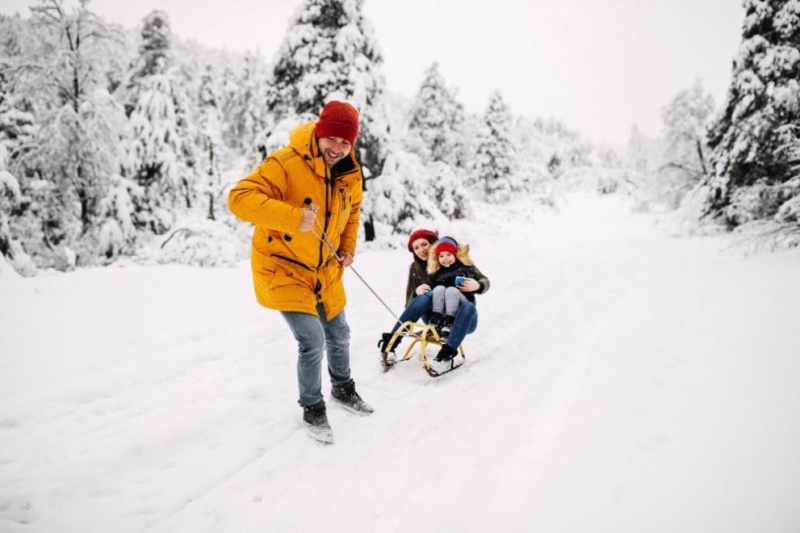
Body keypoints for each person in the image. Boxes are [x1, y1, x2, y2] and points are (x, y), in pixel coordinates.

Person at [228, 100, 372, 444]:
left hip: (324, 269)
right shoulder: (286, 163)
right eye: (332, 139)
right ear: (320, 132)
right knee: (312, 339)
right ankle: (312, 407)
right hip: (284, 267)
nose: (337, 148)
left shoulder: (350, 171)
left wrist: (347, 247)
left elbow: (352, 213)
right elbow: (239, 198)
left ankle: (343, 388)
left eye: (345, 142)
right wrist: (293, 217)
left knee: (339, 332)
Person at [378, 235, 490, 372]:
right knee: (424, 298)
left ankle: (446, 356)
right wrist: (416, 292)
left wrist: (478, 285)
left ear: (433, 246)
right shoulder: (417, 269)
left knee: (467, 306)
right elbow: (411, 305)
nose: (421, 250)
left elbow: (484, 280)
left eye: (424, 244)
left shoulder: (461, 263)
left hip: (462, 317)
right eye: (416, 247)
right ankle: (390, 345)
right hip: (434, 317)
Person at [426, 236, 479, 338]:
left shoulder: (464, 268)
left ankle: (449, 323)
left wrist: (473, 284)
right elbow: (431, 287)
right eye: (441, 256)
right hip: (443, 306)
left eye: (448, 254)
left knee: (451, 290)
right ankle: (435, 320)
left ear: (455, 254)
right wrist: (429, 292)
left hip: (462, 303)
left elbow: (471, 283)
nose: (445, 259)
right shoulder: (436, 272)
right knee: (439, 289)